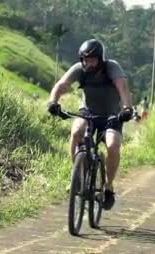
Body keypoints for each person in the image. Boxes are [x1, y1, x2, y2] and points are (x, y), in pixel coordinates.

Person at [47, 38, 134, 210]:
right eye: (85, 59)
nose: (88, 63)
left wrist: (127, 109)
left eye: (92, 59)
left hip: (112, 116)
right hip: (88, 112)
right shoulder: (79, 69)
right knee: (76, 133)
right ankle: (78, 176)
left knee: (113, 145)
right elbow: (62, 84)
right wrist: (53, 102)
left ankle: (108, 187)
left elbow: (122, 87)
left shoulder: (112, 67)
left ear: (100, 59)